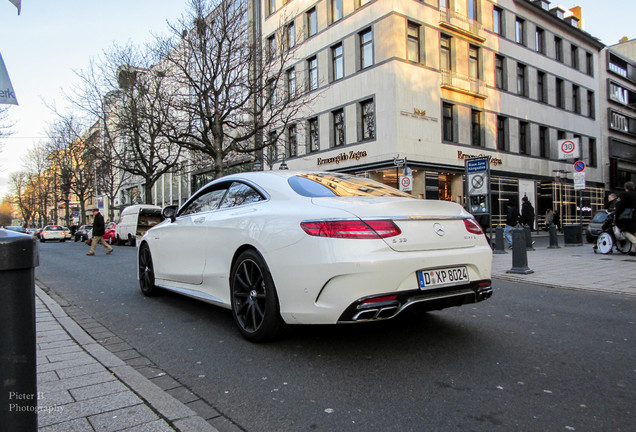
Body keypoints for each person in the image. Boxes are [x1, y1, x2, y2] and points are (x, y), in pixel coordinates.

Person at [615, 181, 636, 252]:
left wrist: (617, 215)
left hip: (628, 216)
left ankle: (635, 243)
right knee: (634, 231)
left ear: (626, 187)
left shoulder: (624, 194)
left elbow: (620, 206)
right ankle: (634, 250)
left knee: (625, 230)